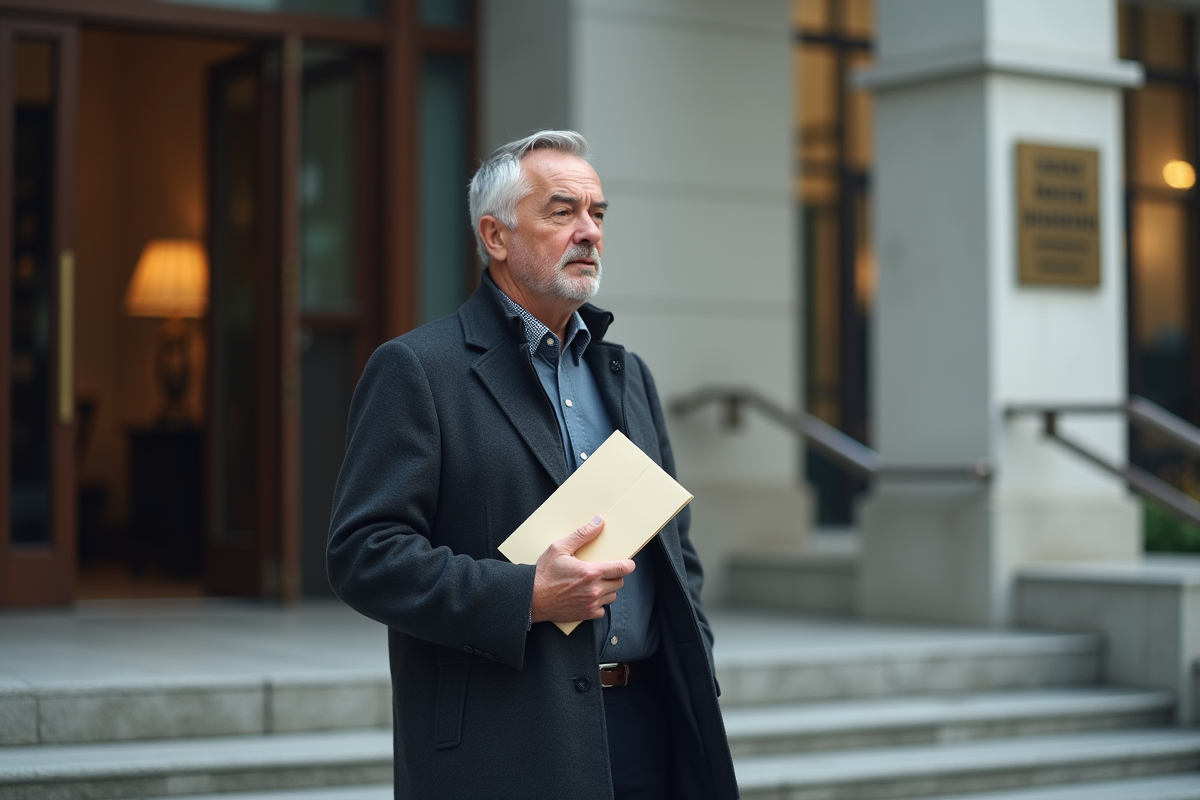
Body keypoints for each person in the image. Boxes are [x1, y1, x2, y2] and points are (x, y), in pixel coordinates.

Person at [327, 130, 738, 800]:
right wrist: (525, 596)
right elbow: (363, 555)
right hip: (507, 736)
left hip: (651, 725)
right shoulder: (417, 370)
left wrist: (698, 662)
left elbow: (676, 554)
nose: (589, 232)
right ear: (496, 236)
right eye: (562, 211)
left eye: (598, 214)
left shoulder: (627, 374)